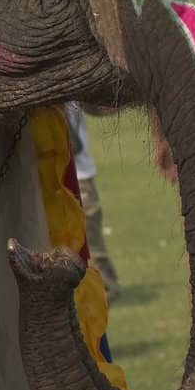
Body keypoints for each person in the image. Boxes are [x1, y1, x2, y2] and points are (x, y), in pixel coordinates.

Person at [66, 102, 122, 301]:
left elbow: (75, 145)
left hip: (79, 175)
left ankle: (107, 288)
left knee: (90, 238)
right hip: (67, 176)